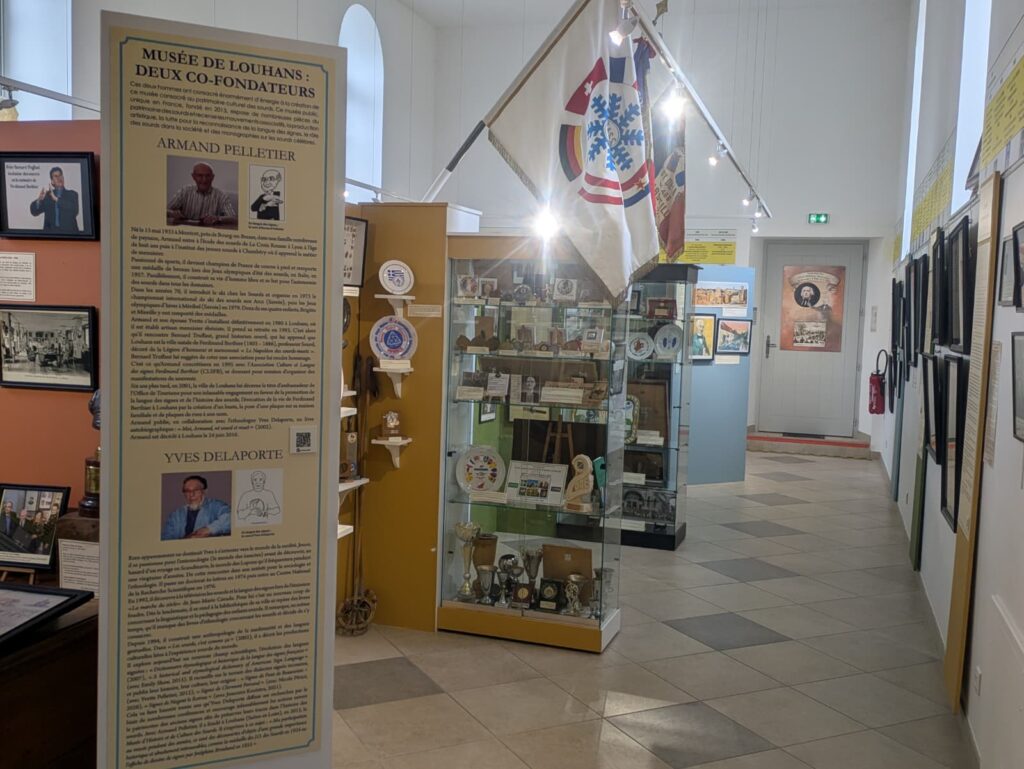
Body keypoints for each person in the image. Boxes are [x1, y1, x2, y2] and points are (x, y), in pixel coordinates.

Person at [161, 475, 231, 540]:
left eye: (196, 490)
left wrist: (208, 529)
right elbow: (166, 539)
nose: (191, 494)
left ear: (204, 491)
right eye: (187, 491)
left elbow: (231, 518)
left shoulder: (216, 506)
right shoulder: (175, 515)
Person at [167, 163, 237, 227]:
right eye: (200, 176)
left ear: (212, 177)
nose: (204, 180)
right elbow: (166, 210)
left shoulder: (222, 196)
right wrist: (172, 213)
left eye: (208, 176)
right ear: (193, 177)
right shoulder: (185, 191)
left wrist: (218, 218)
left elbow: (234, 218)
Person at [29, 166, 80, 233]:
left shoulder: (72, 194)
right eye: (56, 176)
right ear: (52, 181)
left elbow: (74, 210)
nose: (59, 178)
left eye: (60, 175)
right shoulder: (47, 196)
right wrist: (39, 200)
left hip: (69, 232)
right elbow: (34, 212)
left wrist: (56, 199)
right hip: (50, 233)